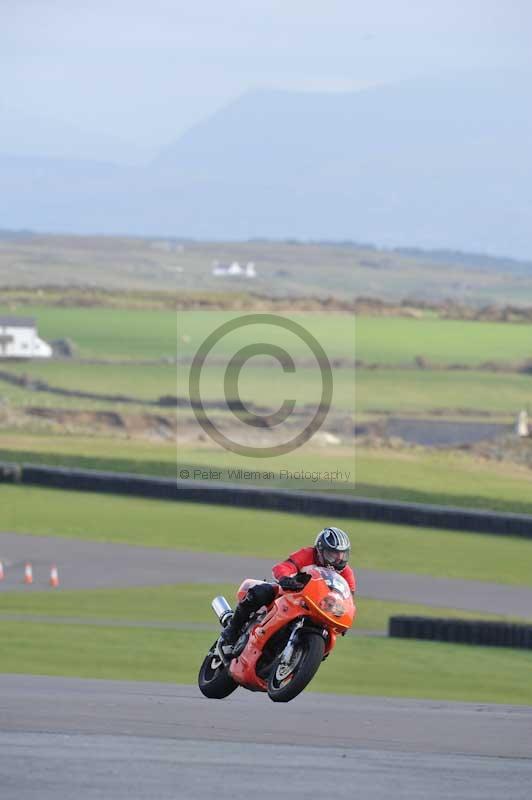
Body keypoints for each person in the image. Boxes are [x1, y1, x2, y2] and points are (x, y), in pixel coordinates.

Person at [218, 526, 355, 660]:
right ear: (320, 550)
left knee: (326, 644)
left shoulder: (346, 573)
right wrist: (285, 578)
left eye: (342, 555)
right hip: (291, 594)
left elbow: (348, 599)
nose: (338, 560)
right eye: (332, 555)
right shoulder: (308, 554)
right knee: (260, 593)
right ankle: (231, 631)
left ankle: (299, 660)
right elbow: (284, 566)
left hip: (319, 608)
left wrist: (343, 617)